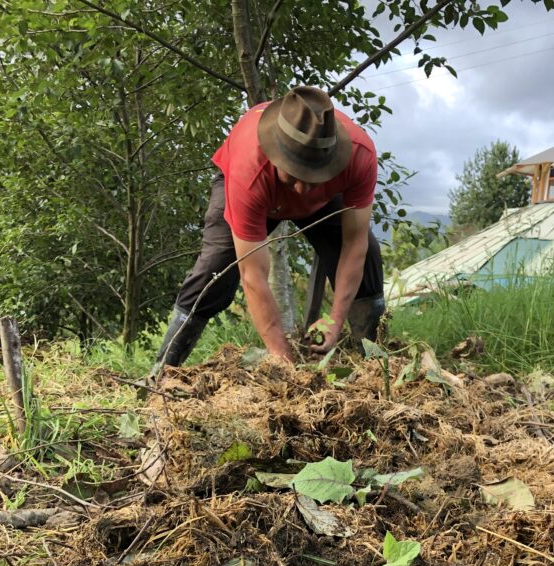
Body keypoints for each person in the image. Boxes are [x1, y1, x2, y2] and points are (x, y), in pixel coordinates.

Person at [150, 86, 385, 373]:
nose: (302, 189)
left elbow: (354, 246)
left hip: (322, 200)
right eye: (296, 175)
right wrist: (282, 358)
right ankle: (160, 374)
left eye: (315, 176)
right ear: (277, 155)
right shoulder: (249, 170)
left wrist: (335, 320)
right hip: (256, 187)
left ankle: (373, 365)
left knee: (369, 259)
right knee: (215, 270)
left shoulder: (359, 155)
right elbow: (254, 275)